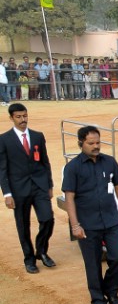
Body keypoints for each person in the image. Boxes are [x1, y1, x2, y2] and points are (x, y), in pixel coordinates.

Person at [62, 126, 118, 304]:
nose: (95, 146)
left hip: (111, 221)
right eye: (91, 143)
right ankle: (98, 299)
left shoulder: (109, 162)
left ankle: (111, 290)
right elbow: (69, 197)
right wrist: (75, 225)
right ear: (80, 143)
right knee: (92, 263)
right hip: (87, 225)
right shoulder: (73, 167)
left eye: (98, 142)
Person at [0, 103, 55, 273]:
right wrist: (7, 193)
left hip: (39, 186)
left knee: (48, 219)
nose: (23, 119)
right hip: (18, 189)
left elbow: (45, 162)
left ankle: (42, 251)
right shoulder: (4, 139)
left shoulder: (38, 136)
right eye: (18, 117)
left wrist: (49, 185)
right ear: (11, 118)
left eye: (25, 116)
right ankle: (29, 258)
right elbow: (2, 169)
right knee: (23, 226)